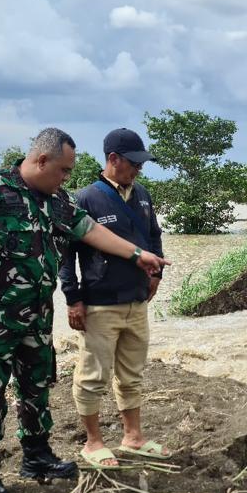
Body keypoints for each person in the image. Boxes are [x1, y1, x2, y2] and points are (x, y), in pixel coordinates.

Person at [0, 128, 170, 493]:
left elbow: (92, 231)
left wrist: (137, 255)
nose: (67, 178)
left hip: (37, 315)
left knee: (36, 390)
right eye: (64, 171)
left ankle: (36, 456)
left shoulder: (58, 200)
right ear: (41, 160)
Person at [60, 129, 170, 469]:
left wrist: (156, 274)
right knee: (93, 375)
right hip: (100, 303)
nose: (137, 170)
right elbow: (67, 255)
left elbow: (154, 236)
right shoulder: (86, 199)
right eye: (133, 163)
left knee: (132, 373)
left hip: (137, 301)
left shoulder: (144, 196)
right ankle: (93, 442)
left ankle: (132, 436)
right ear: (113, 159)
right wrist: (72, 298)